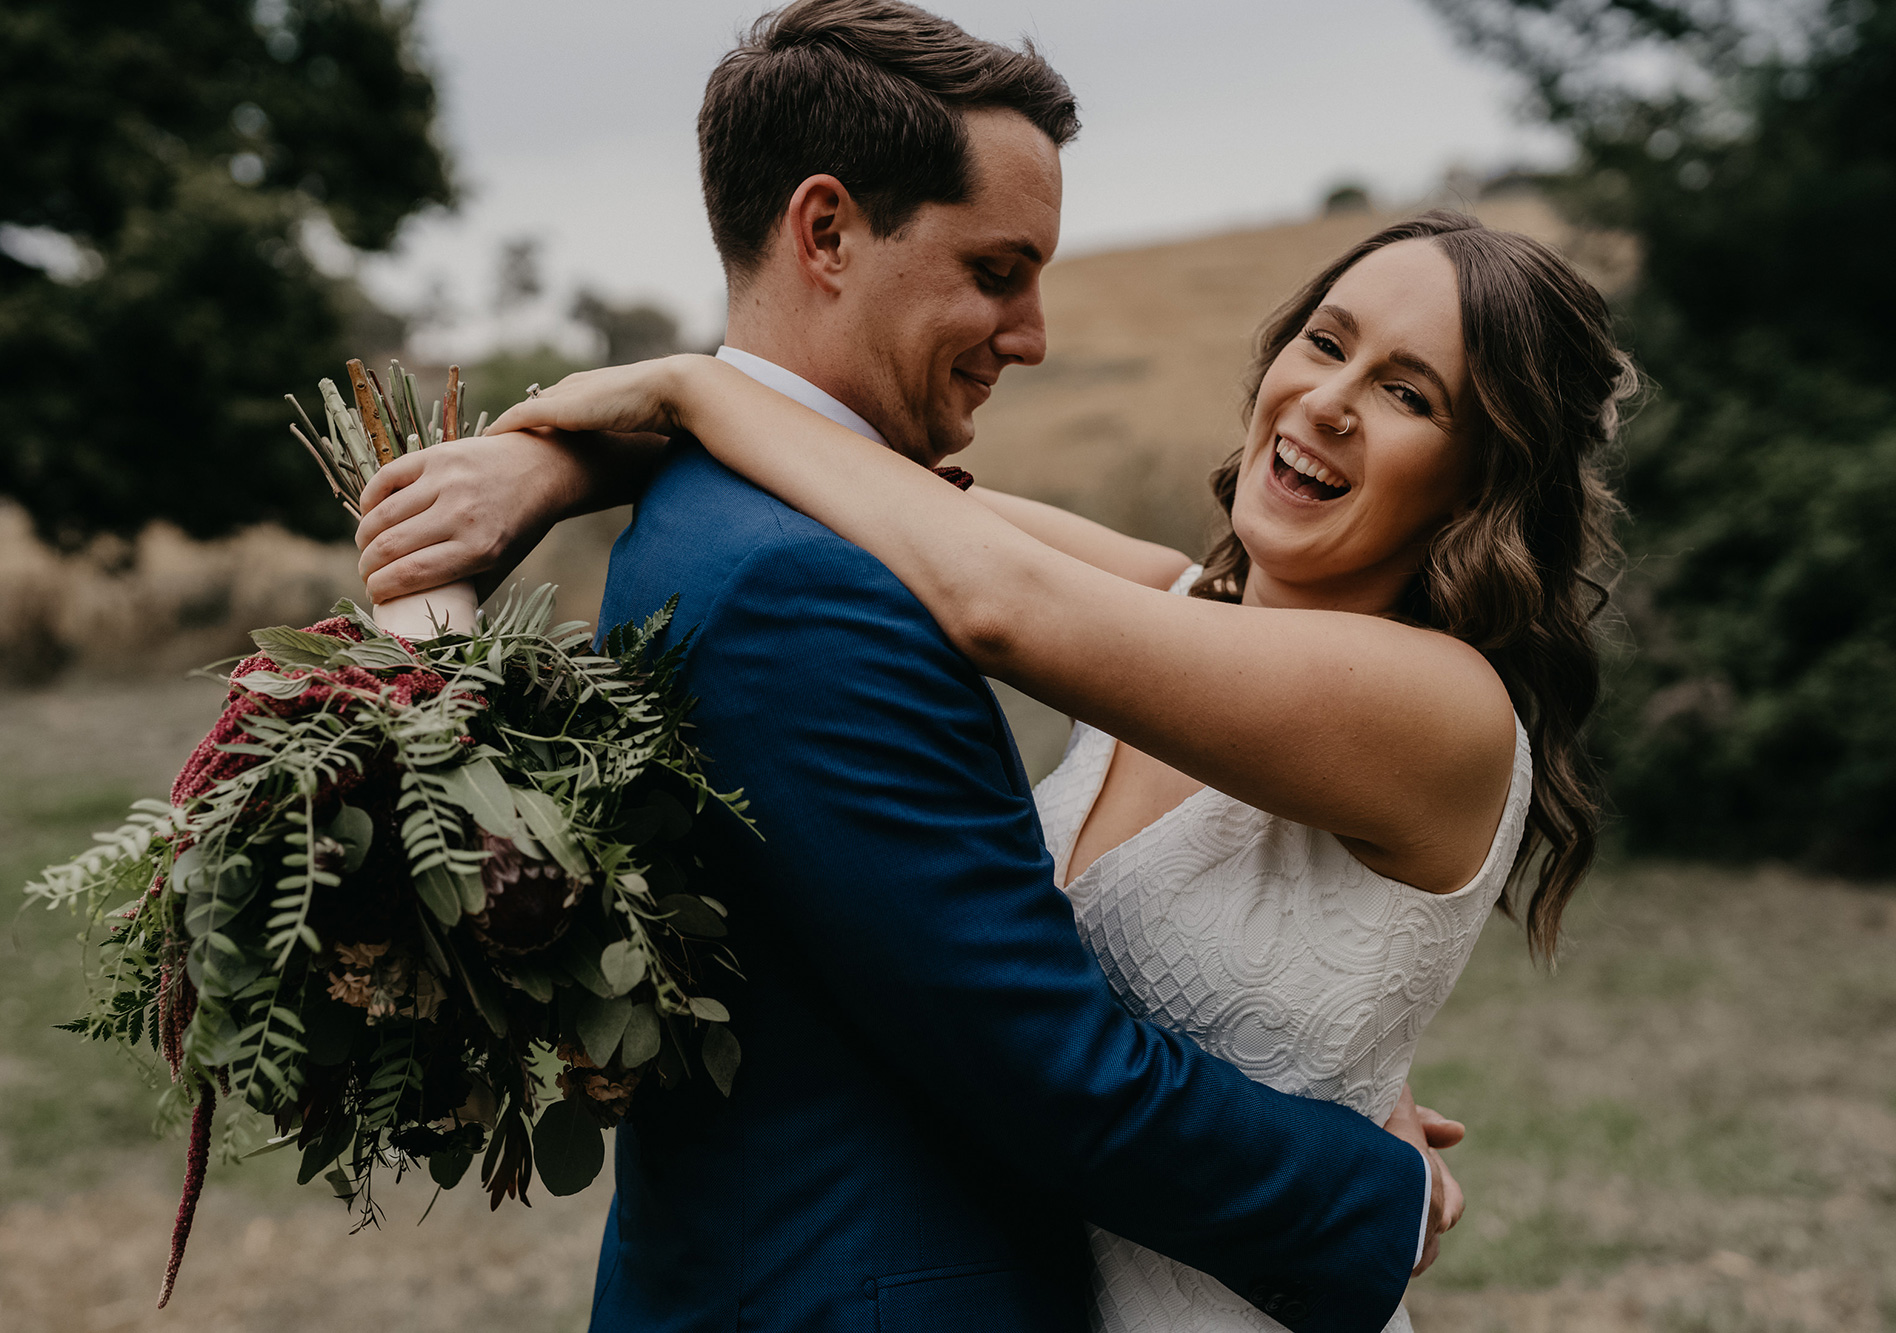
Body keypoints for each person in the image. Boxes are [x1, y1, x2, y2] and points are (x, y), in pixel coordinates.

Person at [356, 3, 1469, 1330]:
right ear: (825, 231)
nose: (1033, 331)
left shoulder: (760, 520)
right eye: (998, 271)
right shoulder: (804, 585)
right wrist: (1373, 1190)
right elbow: (1044, 1067)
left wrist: (608, 436)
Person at [473, 205, 1633, 1330]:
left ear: (1479, 481)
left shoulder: (1439, 707)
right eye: (1323, 342)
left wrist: (688, 383)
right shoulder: (1169, 603)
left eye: (1405, 393)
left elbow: (993, 602)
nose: (1326, 401)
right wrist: (564, 468)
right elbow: (891, 496)